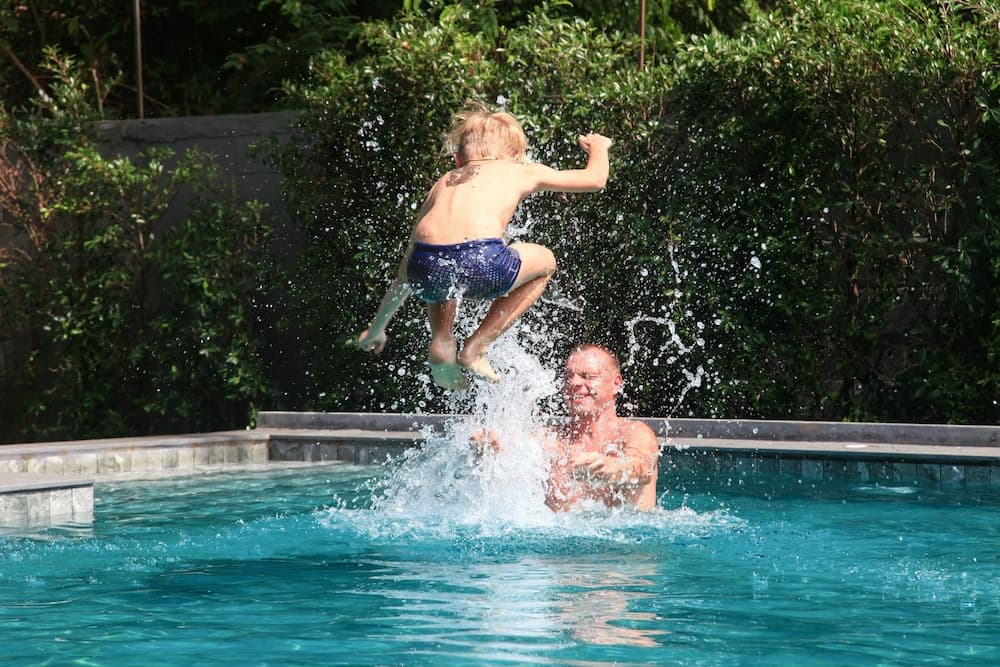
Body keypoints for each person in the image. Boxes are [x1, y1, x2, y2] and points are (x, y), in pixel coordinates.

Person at [356, 102, 614, 389]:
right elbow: (595, 179)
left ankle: (441, 343)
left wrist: (377, 329)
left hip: (424, 266)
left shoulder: (443, 183)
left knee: (443, 262)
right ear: (514, 156)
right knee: (546, 261)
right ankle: (476, 347)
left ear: (458, 158)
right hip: (483, 261)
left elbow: (404, 273)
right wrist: (599, 147)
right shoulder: (518, 171)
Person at [475, 344, 660, 511]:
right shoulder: (551, 440)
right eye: (568, 377)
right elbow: (511, 454)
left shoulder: (634, 433)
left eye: (587, 376)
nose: (574, 383)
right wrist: (490, 447)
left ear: (616, 383)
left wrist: (610, 467)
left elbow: (641, 467)